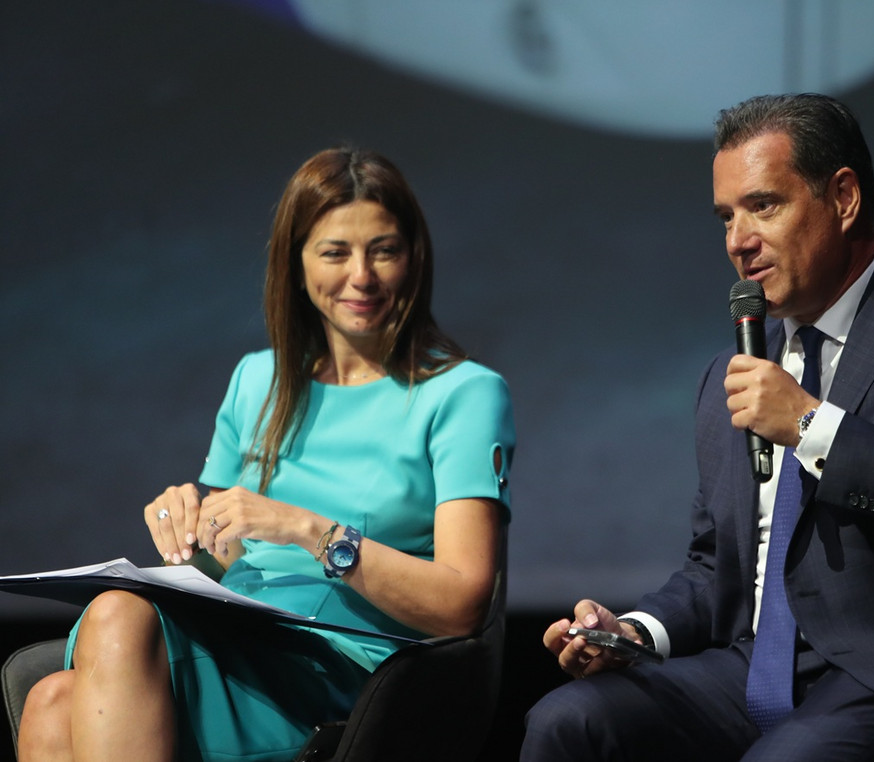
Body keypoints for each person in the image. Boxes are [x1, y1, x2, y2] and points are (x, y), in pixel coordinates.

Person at [521, 93, 874, 761]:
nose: (738, 240)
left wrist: (811, 425)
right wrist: (636, 631)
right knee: (569, 721)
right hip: (755, 666)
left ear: (843, 198)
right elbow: (715, 566)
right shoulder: (735, 372)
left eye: (763, 206)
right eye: (726, 217)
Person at [17, 147, 516, 762]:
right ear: (296, 263)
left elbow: (463, 605)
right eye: (335, 252)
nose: (362, 276)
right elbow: (226, 560)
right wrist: (188, 530)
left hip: (350, 667)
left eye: (383, 250)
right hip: (240, 636)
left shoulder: (463, 393)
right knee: (52, 700)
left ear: (414, 258)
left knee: (113, 625)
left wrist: (306, 529)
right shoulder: (258, 379)